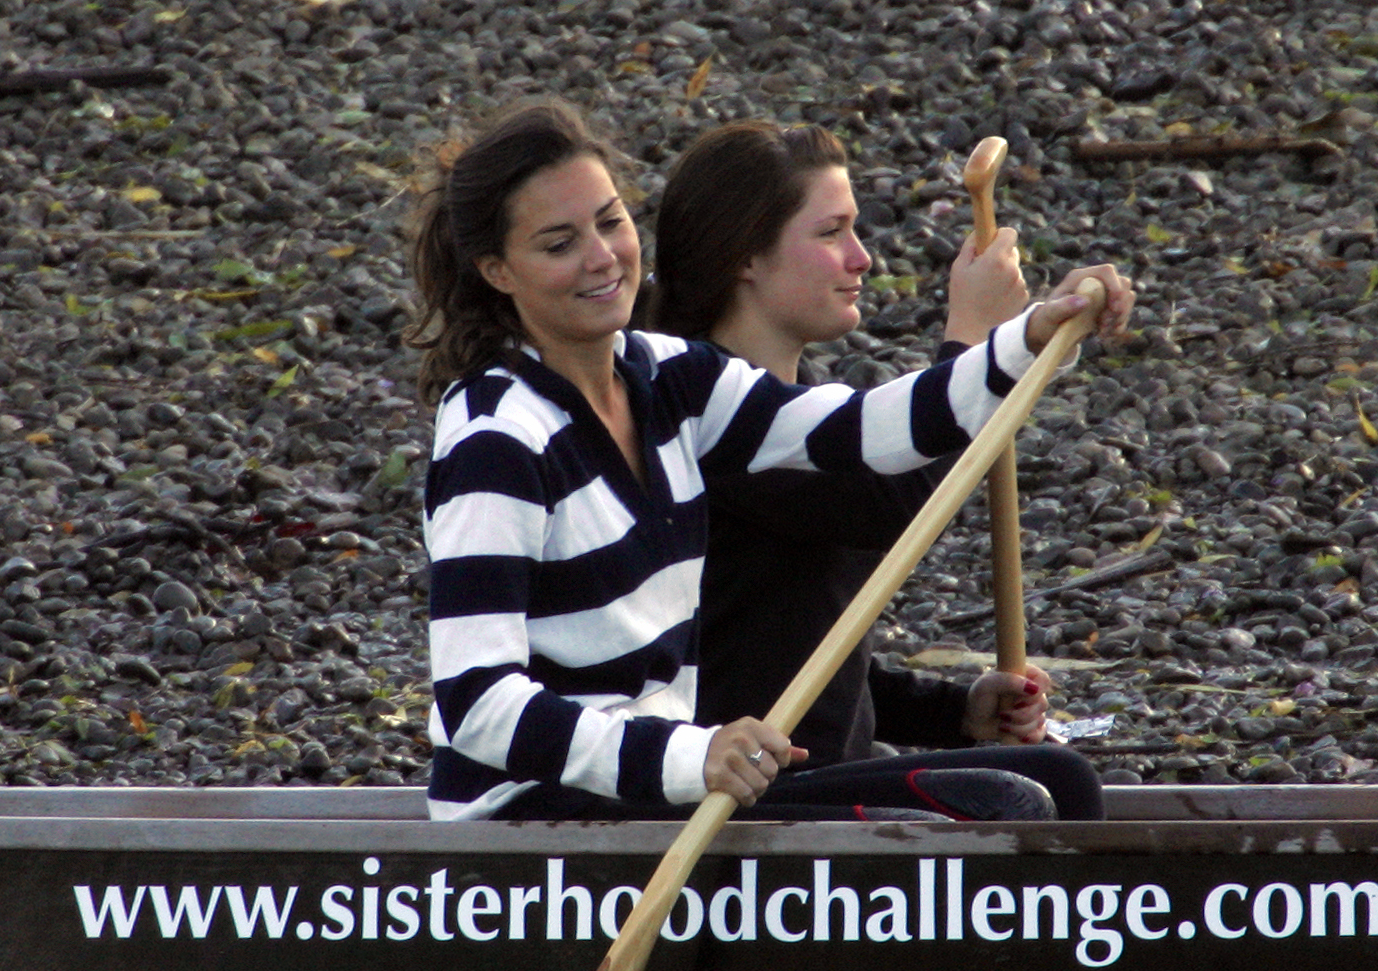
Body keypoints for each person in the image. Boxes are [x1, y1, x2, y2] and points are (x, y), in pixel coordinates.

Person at [404, 98, 1121, 824]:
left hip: (658, 787)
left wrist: (1029, 337)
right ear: (497, 270)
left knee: (1059, 784)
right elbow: (476, 704)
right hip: (538, 809)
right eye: (559, 243)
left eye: (611, 222)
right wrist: (689, 756)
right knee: (999, 803)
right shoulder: (495, 436)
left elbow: (864, 431)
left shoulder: (669, 377)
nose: (601, 257)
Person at [653, 121, 1132, 819]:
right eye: (831, 233)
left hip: (816, 772)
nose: (861, 257)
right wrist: (974, 342)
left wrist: (957, 712)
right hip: (734, 798)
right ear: (744, 258)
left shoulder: (803, 402)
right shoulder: (714, 416)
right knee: (1045, 788)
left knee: (1056, 780)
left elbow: (800, 652)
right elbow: (891, 505)